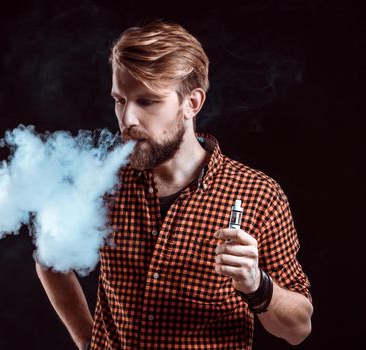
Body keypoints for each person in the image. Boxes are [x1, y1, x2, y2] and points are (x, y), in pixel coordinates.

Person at [36, 20, 313, 349]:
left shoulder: (258, 196)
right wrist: (88, 340)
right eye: (120, 100)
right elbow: (48, 256)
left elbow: (299, 329)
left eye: (147, 102)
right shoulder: (100, 183)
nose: (128, 120)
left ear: (192, 103)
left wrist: (257, 284)